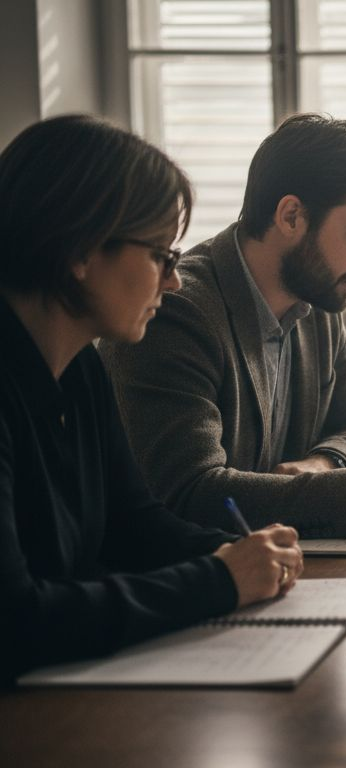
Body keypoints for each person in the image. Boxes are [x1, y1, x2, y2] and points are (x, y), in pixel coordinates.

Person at [0, 115, 303, 682]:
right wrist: (221, 580)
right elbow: (15, 621)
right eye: (160, 254)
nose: (174, 280)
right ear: (81, 250)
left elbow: (130, 523)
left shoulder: (81, 368)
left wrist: (234, 552)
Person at [101, 115, 346, 538]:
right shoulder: (177, 314)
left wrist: (324, 465)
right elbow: (191, 494)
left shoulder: (316, 302)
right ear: (291, 216)